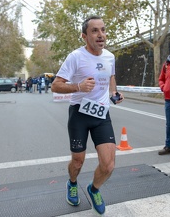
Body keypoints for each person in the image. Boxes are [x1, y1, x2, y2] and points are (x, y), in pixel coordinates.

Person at [51, 15, 123, 216]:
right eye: (95, 31)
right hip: (79, 113)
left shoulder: (109, 56)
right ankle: (72, 183)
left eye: (103, 29)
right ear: (84, 36)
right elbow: (55, 85)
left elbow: (111, 77)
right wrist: (78, 86)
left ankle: (94, 189)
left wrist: (114, 93)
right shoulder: (76, 56)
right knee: (77, 161)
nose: (101, 35)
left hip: (101, 114)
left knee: (108, 165)